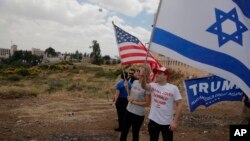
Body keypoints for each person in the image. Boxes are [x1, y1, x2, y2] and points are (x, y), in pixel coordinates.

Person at [142, 67, 183, 141]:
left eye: (160, 73)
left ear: (166, 76)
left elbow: (179, 104)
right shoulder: (153, 85)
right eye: (156, 73)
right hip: (153, 121)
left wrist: (175, 122)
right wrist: (143, 77)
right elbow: (144, 86)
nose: (157, 75)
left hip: (167, 123)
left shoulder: (173, 88)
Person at [120, 65, 151, 141]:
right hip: (128, 110)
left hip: (138, 114)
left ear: (144, 73)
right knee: (124, 131)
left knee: (135, 134)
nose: (136, 72)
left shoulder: (148, 86)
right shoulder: (134, 81)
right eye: (137, 70)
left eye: (138, 71)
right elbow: (131, 94)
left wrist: (133, 101)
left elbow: (147, 103)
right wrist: (127, 87)